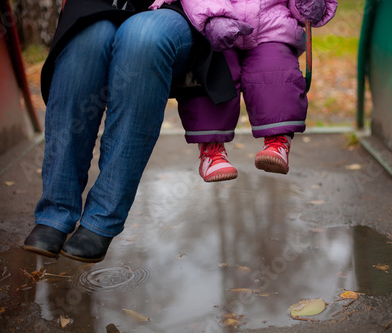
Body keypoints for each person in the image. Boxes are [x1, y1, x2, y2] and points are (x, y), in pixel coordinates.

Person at [22, 0, 237, 262]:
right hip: (103, 3)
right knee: (88, 39)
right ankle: (55, 211)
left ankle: (102, 217)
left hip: (178, 10)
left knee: (142, 38)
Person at [151, 0, 337, 182]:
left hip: (271, 27)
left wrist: (305, 5)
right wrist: (213, 17)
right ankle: (212, 151)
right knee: (214, 73)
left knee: (274, 69)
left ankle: (278, 142)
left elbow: (301, 13)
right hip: (217, 25)